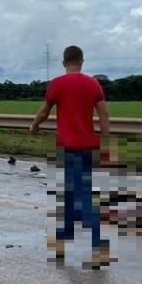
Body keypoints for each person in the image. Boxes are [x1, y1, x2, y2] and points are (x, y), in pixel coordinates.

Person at [30, 45, 112, 268]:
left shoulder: (57, 84)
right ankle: (62, 244)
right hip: (88, 147)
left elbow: (45, 112)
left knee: (79, 196)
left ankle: (98, 248)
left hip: (68, 147)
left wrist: (34, 125)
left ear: (64, 62)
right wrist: (105, 140)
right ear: (82, 61)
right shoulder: (93, 83)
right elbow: (103, 114)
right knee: (73, 193)